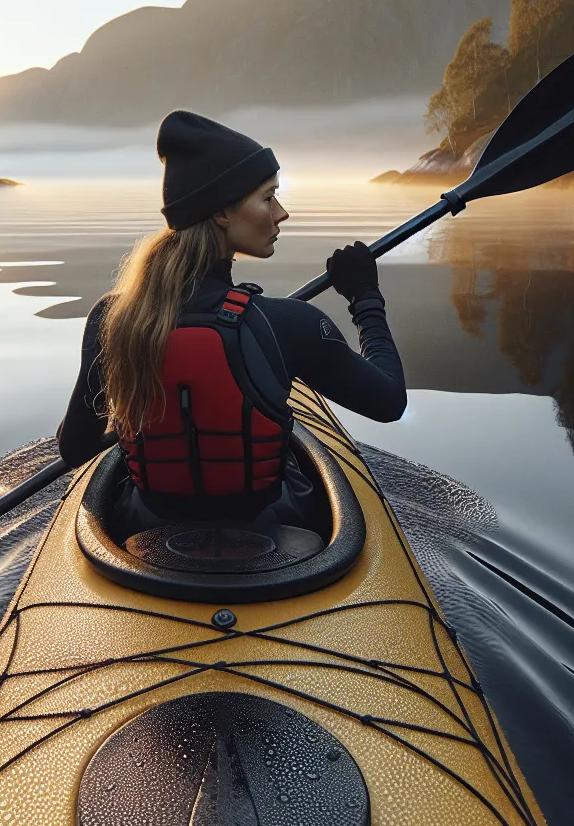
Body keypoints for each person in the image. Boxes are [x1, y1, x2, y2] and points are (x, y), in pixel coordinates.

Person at [57, 110, 406, 530]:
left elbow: (75, 450)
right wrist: (365, 296)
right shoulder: (287, 324)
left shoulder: (110, 320)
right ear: (223, 212)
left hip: (145, 536)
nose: (281, 213)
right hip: (272, 531)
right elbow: (390, 401)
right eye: (267, 197)